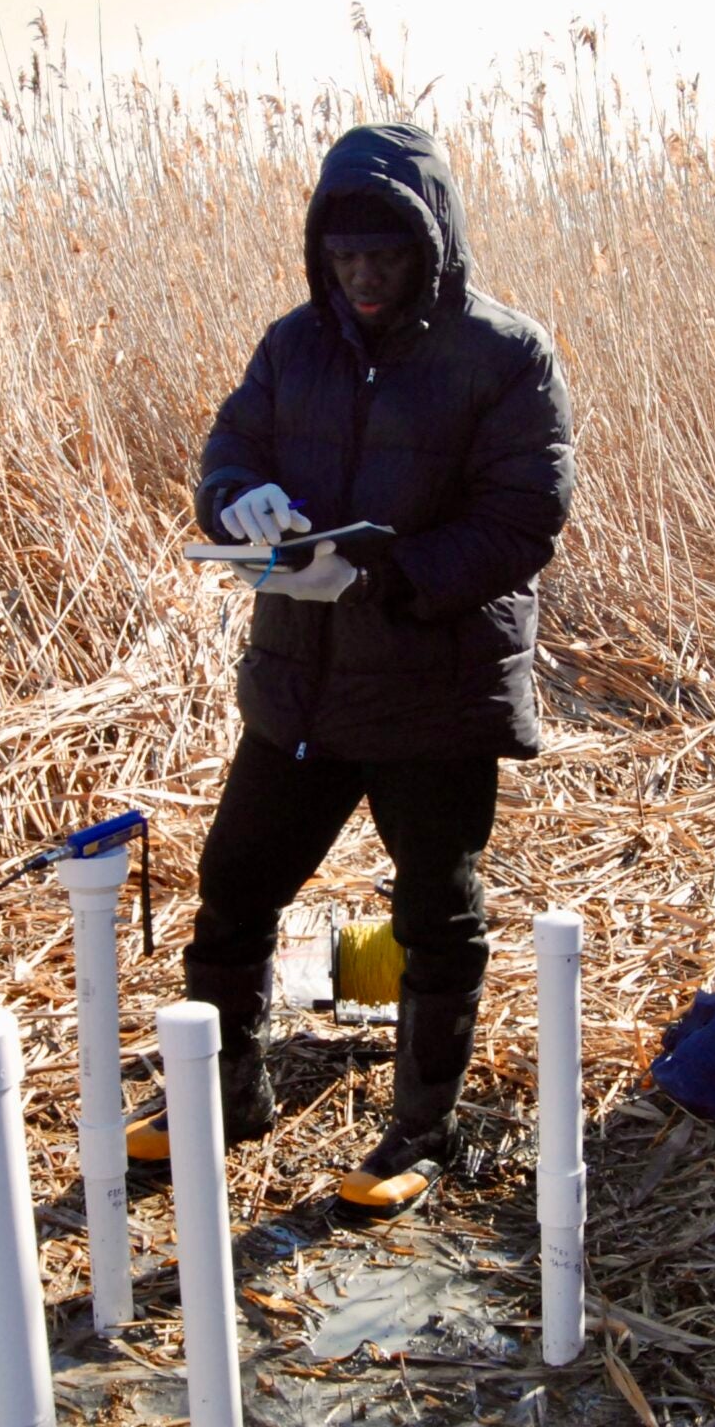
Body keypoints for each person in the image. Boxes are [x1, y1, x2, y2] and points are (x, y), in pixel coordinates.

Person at [128, 123, 577, 1220]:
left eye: (384, 255)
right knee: (235, 885)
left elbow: (524, 520)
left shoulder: (506, 353)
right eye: (344, 259)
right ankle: (227, 1095)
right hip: (301, 686)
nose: (363, 277)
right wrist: (237, 501)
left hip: (433, 692)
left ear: (431, 245)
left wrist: (381, 578)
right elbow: (229, 452)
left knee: (434, 909)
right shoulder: (292, 346)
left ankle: (419, 1131)